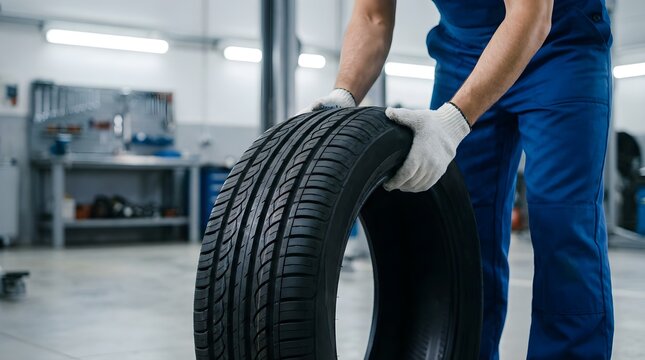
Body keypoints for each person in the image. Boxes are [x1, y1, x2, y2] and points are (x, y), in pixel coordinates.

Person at [302, 0, 614, 359]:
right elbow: (372, 16)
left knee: (562, 225)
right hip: (464, 53)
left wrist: (454, 121)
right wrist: (343, 96)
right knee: (462, 230)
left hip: (559, 48)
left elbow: (530, 15)